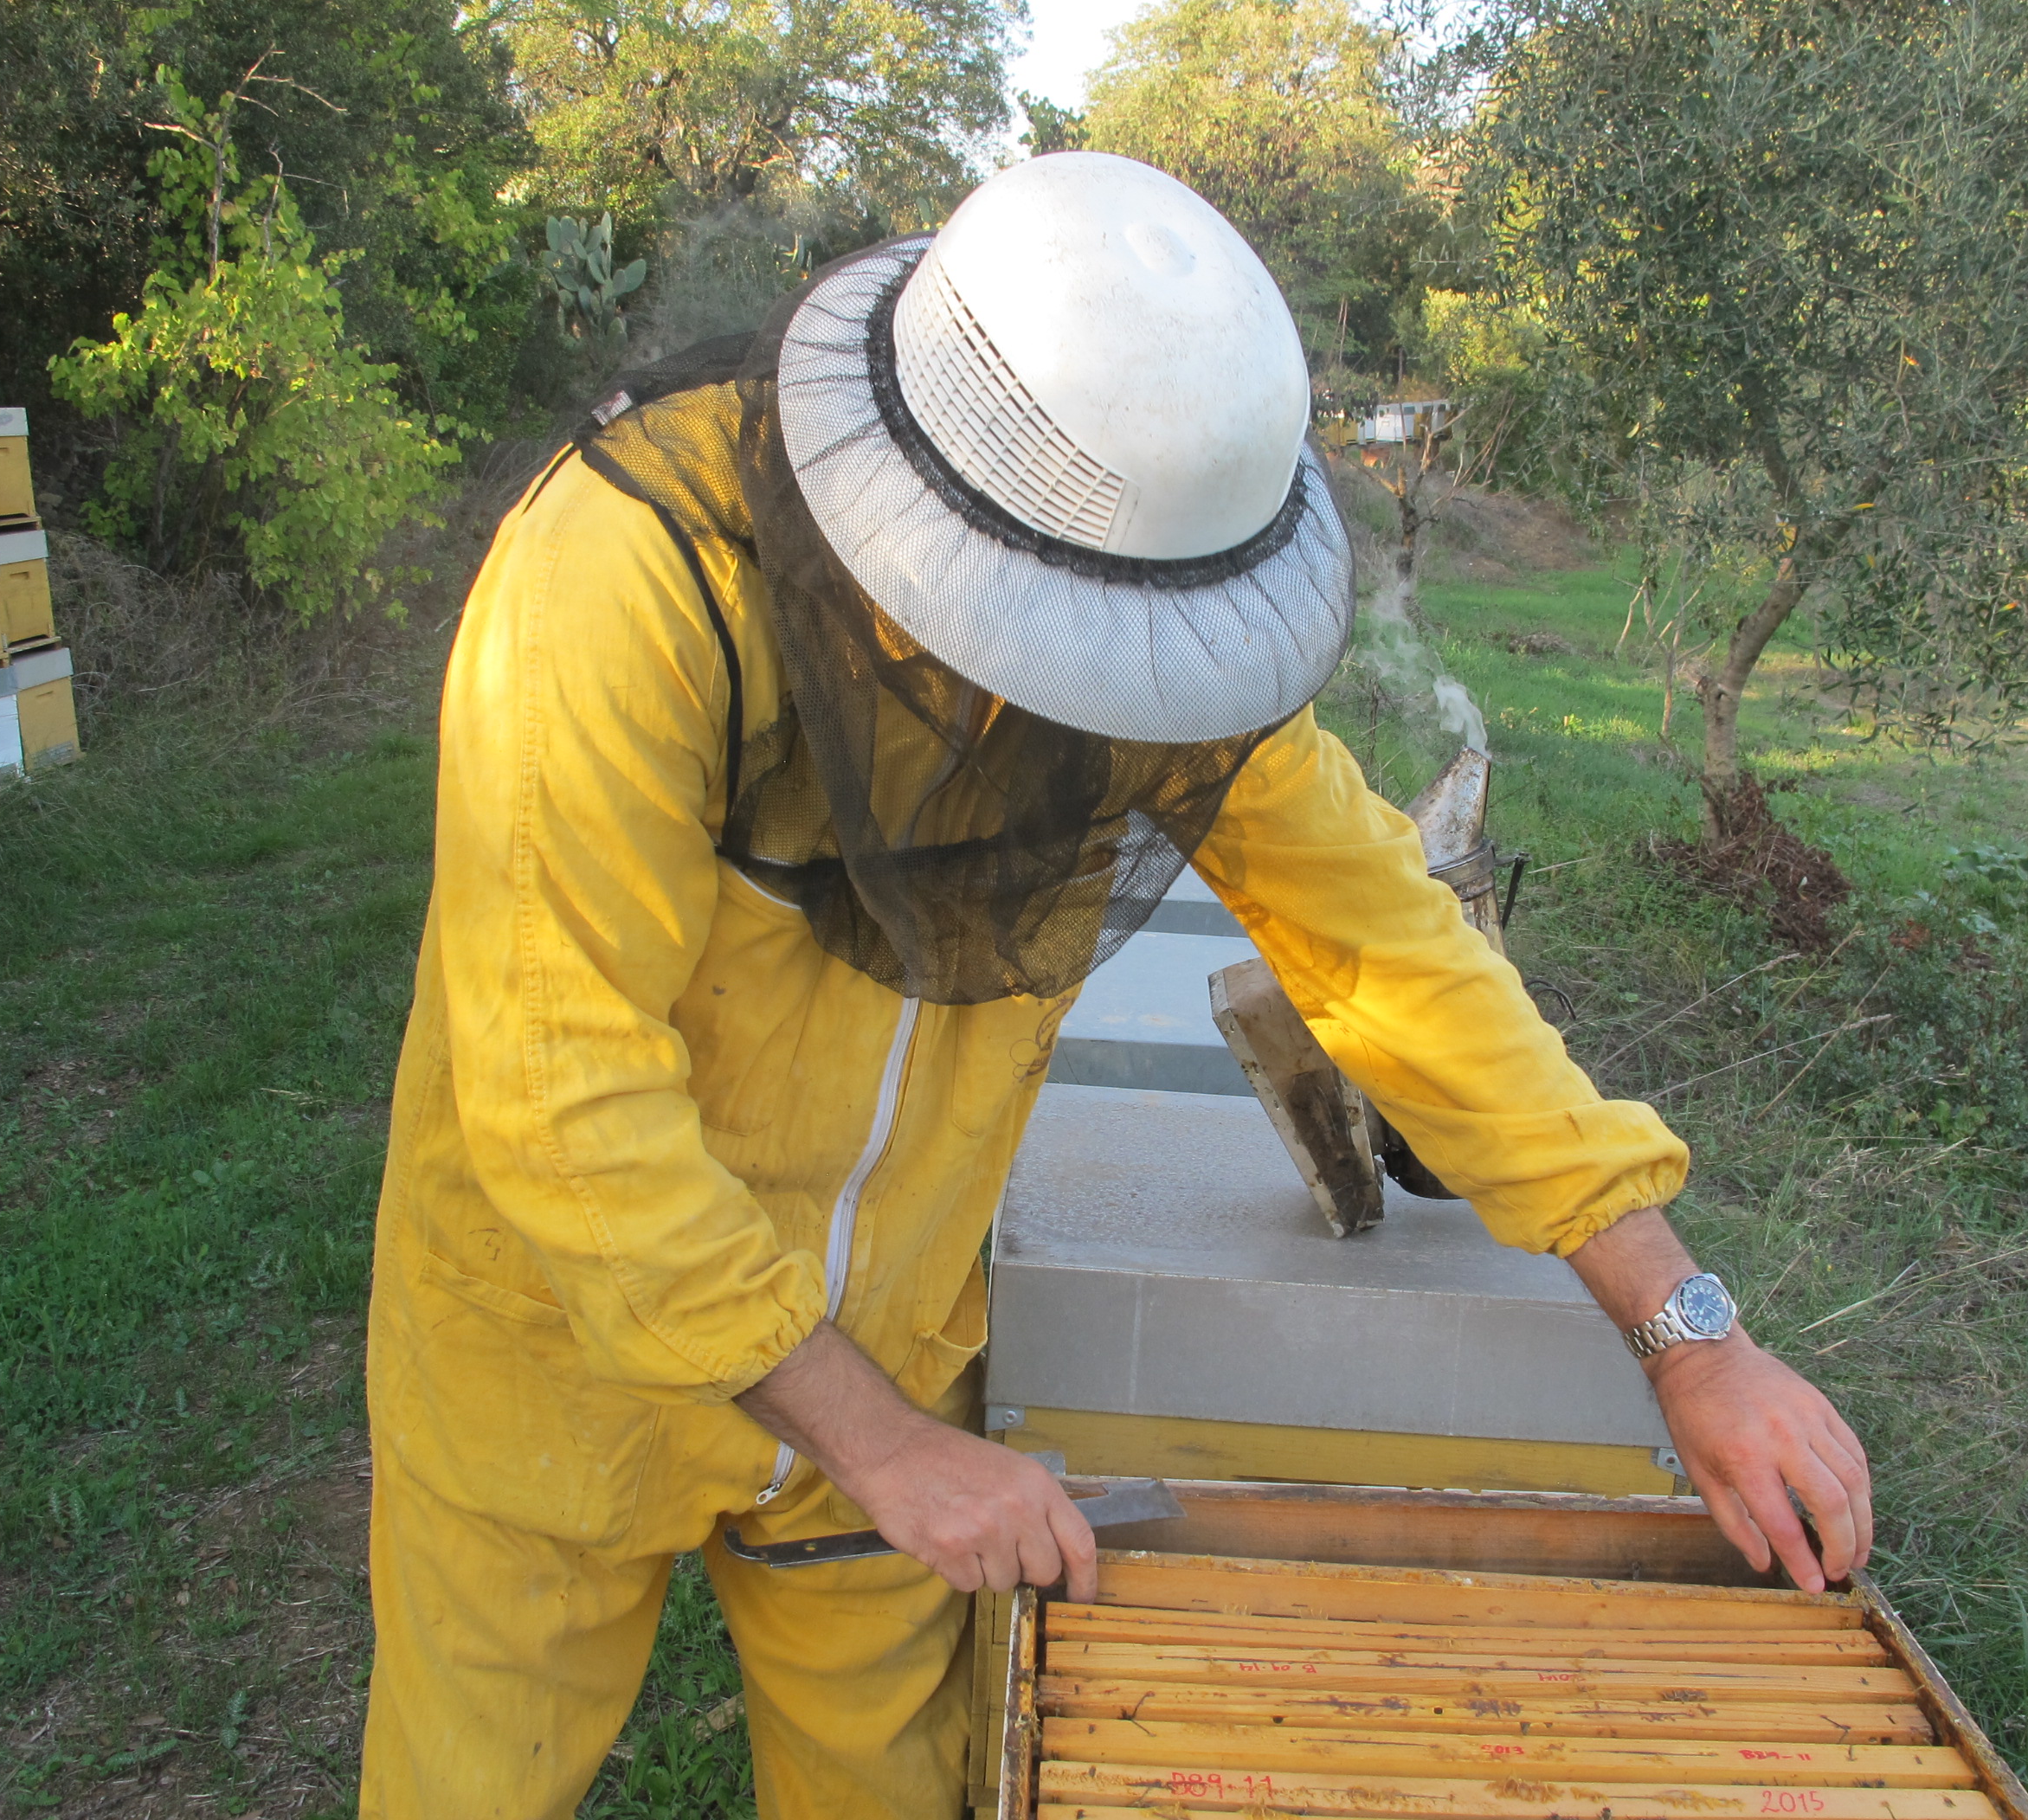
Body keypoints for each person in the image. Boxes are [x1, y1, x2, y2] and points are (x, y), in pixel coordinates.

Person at [357, 151, 1871, 1820]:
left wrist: (1684, 1332)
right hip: (553, 1365)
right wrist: (886, 1444)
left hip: (901, 1326)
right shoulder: (625, 581)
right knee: (469, 1782)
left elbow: (1386, 944)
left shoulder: (1157, 634)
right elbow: (561, 1091)